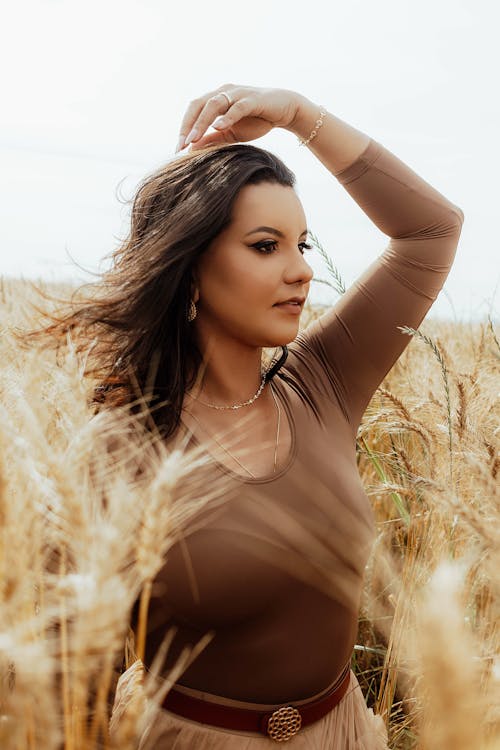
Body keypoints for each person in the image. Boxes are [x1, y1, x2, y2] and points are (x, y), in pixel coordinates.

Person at [100, 84, 463, 747]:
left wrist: (299, 115)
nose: (302, 271)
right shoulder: (125, 442)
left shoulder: (323, 383)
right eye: (266, 246)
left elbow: (431, 230)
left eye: (303, 244)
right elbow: (70, 665)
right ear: (187, 268)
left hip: (346, 731)